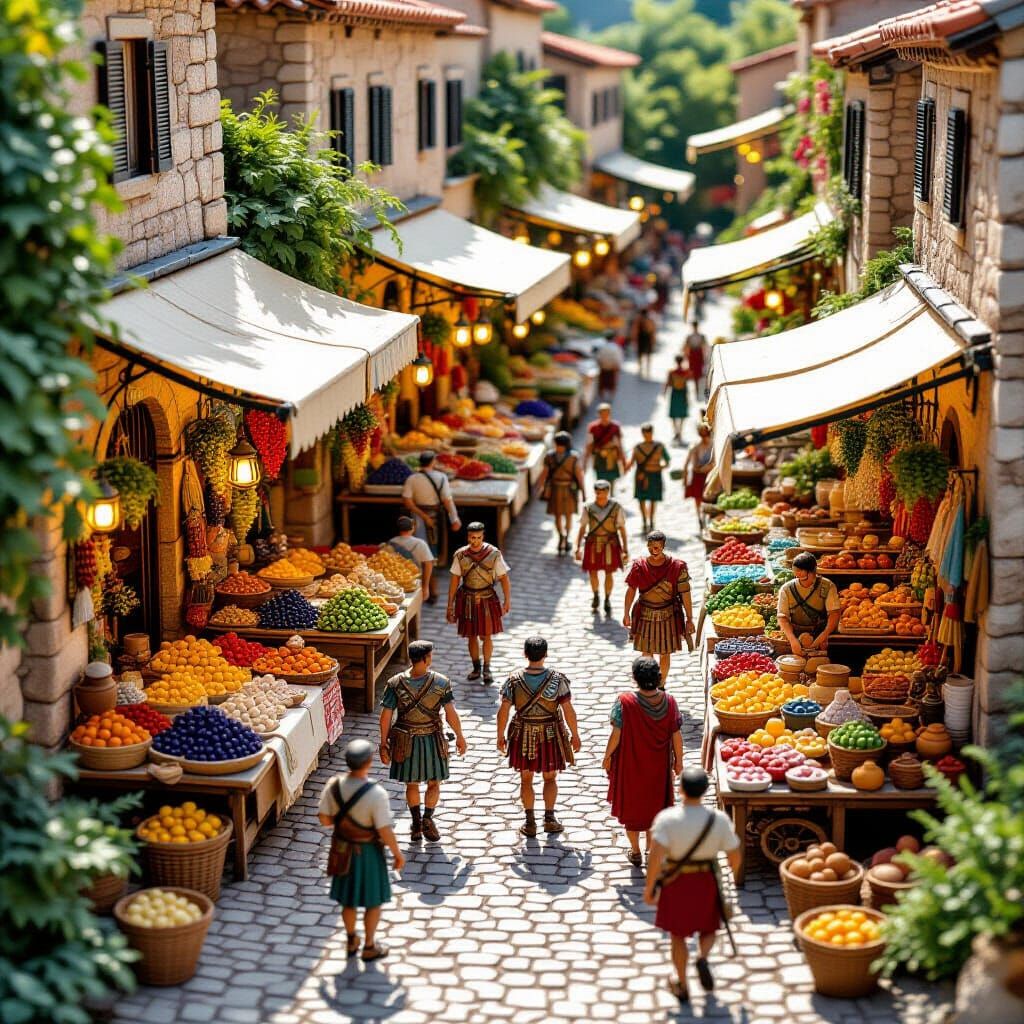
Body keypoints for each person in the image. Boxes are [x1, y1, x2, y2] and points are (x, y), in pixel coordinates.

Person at [644, 767, 741, 1003]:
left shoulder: (667, 819)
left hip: (676, 881)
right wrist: (731, 873)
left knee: (678, 935)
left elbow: (655, 856)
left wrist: (650, 887)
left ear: (681, 789)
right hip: (707, 879)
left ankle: (682, 983)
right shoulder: (717, 819)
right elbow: (734, 854)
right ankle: (703, 958)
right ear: (706, 791)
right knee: (709, 927)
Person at [318, 739, 405, 963]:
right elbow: (384, 830)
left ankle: (350, 939)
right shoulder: (376, 794)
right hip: (368, 853)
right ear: (369, 762)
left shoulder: (333, 786)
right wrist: (397, 854)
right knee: (372, 902)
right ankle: (369, 945)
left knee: (348, 900)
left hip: (343, 849)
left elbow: (325, 820)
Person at [379, 640, 466, 843]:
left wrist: (383, 743)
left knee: (412, 784)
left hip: (404, 742)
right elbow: (450, 713)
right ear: (426, 658)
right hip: (432, 740)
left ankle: (416, 823)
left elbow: (385, 716)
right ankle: (427, 818)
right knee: (434, 782)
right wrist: (460, 736)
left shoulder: (394, 683)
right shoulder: (441, 682)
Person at [496, 635, 581, 837]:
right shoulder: (558, 680)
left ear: (525, 654)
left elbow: (504, 709)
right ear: (546, 654)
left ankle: (530, 821)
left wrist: (500, 734)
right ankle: (549, 818)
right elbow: (568, 709)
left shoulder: (513, 680)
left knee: (525, 779)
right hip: (550, 735)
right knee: (550, 778)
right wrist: (575, 734)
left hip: (522, 733)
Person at [603, 656, 683, 866]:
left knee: (633, 807)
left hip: (631, 765)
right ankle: (650, 849)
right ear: (658, 677)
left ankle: (635, 850)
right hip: (659, 767)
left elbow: (616, 734)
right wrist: (679, 762)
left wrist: (607, 755)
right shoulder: (670, 702)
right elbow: (676, 734)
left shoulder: (624, 702)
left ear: (635, 678)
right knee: (655, 806)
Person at [623, 531, 695, 683]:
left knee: (665, 652)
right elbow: (631, 590)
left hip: (668, 615)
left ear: (663, 546)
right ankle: (647, 684)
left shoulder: (677, 567)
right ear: (647, 545)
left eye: (657, 547)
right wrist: (626, 613)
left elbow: (685, 594)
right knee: (646, 652)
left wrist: (690, 618)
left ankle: (661, 685)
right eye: (651, 547)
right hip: (644, 614)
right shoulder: (639, 566)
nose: (654, 550)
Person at [447, 523, 511, 684]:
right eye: (472, 537)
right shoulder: (460, 555)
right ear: (468, 537)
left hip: (487, 598)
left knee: (487, 635)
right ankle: (476, 667)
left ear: (483, 536)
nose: (475, 541)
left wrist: (507, 600)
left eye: (478, 537)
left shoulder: (494, 554)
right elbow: (454, 581)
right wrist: (450, 605)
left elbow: (503, 578)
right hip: (467, 599)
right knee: (471, 635)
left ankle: (487, 668)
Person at [575, 479, 628, 615]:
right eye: (597, 492)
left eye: (603, 491)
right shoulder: (588, 507)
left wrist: (625, 548)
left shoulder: (616, 507)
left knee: (609, 572)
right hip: (593, 544)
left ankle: (607, 599)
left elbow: (622, 528)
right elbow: (582, 527)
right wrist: (578, 547)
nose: (600, 494)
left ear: (608, 491)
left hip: (610, 544)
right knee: (592, 572)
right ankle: (596, 595)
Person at [402, 450, 462, 565]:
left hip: (417, 515)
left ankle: (420, 562)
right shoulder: (441, 477)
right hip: (436, 514)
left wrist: (423, 516)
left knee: (419, 539)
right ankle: (434, 560)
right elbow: (447, 500)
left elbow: (408, 502)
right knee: (435, 538)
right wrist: (454, 518)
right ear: (433, 462)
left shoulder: (412, 478)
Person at [777, 551, 841, 657]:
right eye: (797, 574)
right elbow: (782, 617)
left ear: (814, 571)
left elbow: (834, 613)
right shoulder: (786, 589)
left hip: (820, 633)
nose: (802, 581)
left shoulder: (828, 586)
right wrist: (792, 640)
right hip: (794, 634)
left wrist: (824, 635)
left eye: (805, 576)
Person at [535, 430, 585, 556]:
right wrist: (583, 492)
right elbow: (579, 476)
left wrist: (539, 488)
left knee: (557, 516)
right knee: (568, 516)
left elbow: (544, 474)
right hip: (569, 489)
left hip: (555, 489)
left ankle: (561, 537)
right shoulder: (573, 457)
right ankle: (566, 537)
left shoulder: (550, 456)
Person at [626, 423, 670, 536]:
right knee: (641, 500)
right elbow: (631, 462)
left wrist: (660, 467)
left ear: (652, 433)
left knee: (653, 500)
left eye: (649, 433)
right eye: (645, 434)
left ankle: (651, 521)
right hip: (641, 476)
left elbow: (667, 461)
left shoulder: (659, 446)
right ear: (642, 434)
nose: (647, 436)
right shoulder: (637, 447)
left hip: (655, 475)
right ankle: (644, 521)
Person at [387, 516, 436, 602]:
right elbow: (428, 564)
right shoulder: (420, 543)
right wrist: (425, 587)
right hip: (414, 584)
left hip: (395, 585)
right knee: (415, 610)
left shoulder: (391, 542)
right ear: (412, 528)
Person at [585, 403, 625, 488]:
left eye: (606, 412)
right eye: (602, 413)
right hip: (599, 456)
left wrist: (623, 460)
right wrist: (585, 460)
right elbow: (589, 443)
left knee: (612, 478)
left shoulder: (615, 426)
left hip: (612, 455)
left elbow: (619, 444)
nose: (604, 415)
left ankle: (611, 495)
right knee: (600, 478)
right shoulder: (593, 427)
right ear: (599, 414)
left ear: (609, 413)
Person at [684, 423, 714, 526]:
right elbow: (688, 463)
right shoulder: (695, 446)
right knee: (698, 498)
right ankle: (699, 517)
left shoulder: (713, 446)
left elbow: (715, 461)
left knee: (709, 497)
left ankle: (706, 516)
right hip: (698, 475)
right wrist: (685, 478)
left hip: (709, 475)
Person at [664, 355, 690, 445]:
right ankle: (680, 432)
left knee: (674, 414)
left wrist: (664, 392)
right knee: (682, 414)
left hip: (675, 393)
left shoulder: (672, 372)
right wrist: (687, 397)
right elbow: (686, 384)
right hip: (682, 393)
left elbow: (668, 382)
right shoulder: (685, 372)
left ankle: (676, 432)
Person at [595, 330, 624, 403]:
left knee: (602, 384)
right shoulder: (616, 347)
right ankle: (610, 397)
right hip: (612, 368)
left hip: (603, 368)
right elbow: (618, 359)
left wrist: (600, 364)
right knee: (612, 384)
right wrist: (618, 367)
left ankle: (602, 398)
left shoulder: (602, 347)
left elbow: (598, 358)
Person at [631, 304, 658, 378]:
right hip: (648, 339)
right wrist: (653, 340)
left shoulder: (638, 320)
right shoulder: (650, 320)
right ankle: (647, 370)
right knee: (648, 355)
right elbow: (653, 331)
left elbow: (635, 331)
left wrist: (634, 340)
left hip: (641, 339)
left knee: (640, 354)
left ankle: (640, 369)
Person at [685, 321, 707, 400]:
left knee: (697, 373)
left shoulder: (697, 336)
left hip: (696, 354)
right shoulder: (695, 336)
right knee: (695, 374)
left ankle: (697, 391)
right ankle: (696, 391)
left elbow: (703, 347)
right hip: (695, 355)